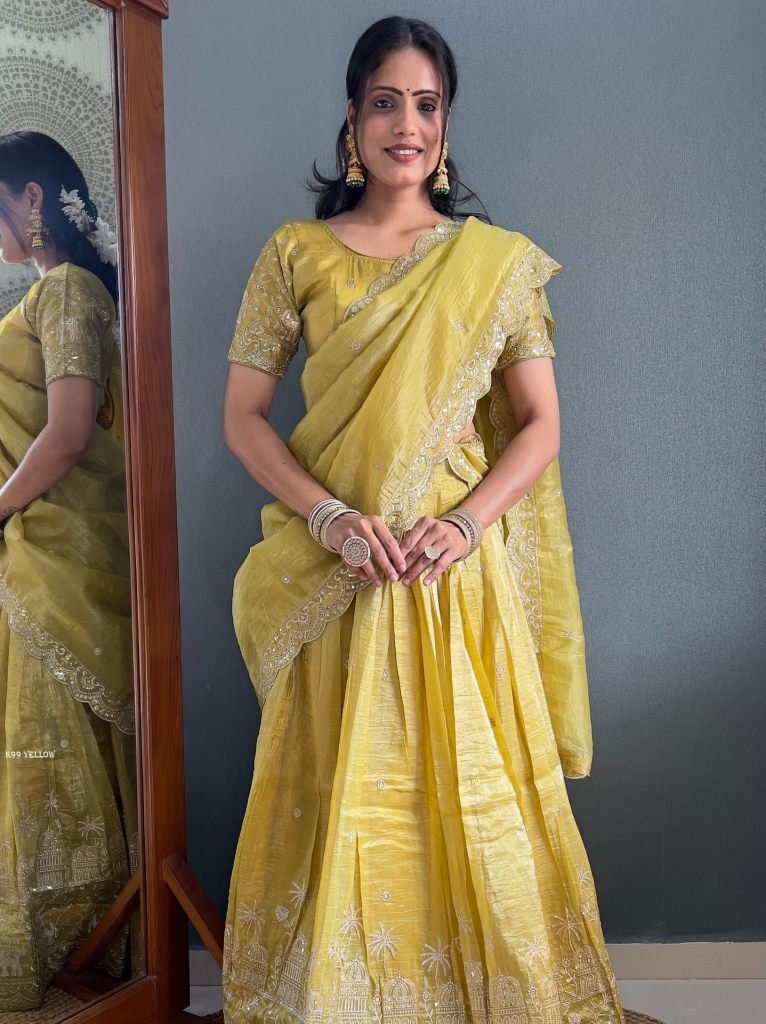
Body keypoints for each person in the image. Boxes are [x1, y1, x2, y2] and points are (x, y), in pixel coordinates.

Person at [221, 17, 626, 1024]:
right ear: (352, 118)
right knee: (343, 807)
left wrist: (466, 525)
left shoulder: (493, 264)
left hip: (451, 581)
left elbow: (540, 426)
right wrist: (327, 522)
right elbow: (240, 417)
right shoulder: (295, 252)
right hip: (339, 579)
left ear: (447, 123)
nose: (409, 125)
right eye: (387, 102)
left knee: (471, 808)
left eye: (428, 104)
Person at [0, 131, 137, 1010]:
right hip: (37, 542)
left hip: (58, 547)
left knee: (54, 750)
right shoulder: (50, 293)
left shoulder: (70, 291)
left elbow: (71, 429)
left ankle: (79, 934)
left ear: (34, 198)